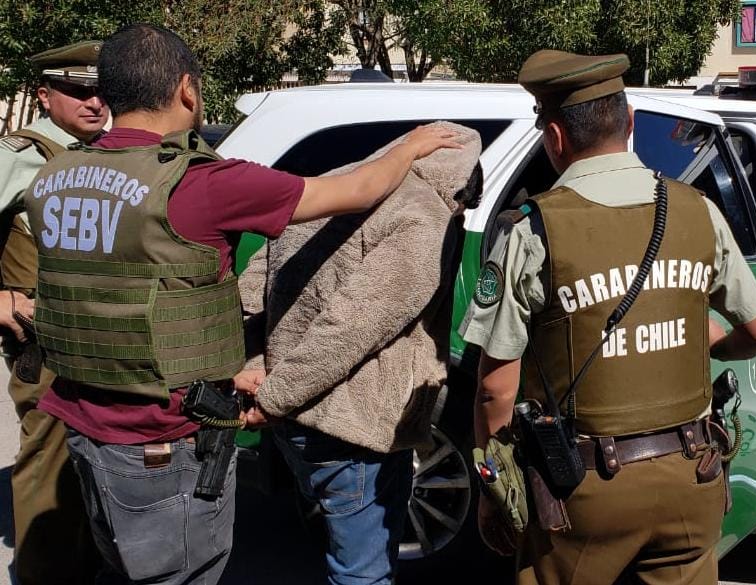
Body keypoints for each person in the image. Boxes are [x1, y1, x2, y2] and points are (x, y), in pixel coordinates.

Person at [22, 23, 458, 585]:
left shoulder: (56, 176)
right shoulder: (203, 183)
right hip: (164, 442)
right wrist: (413, 145)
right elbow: (357, 191)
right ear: (186, 89)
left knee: (122, 566)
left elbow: (130, 291)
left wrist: (225, 368)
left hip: (82, 424)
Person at [460, 50, 756, 585]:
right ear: (630, 124)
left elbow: (495, 391)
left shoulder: (533, 232)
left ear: (555, 139)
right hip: (692, 474)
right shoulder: (697, 210)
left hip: (581, 493)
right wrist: (705, 343)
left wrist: (497, 494)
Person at [236, 122, 482, 585]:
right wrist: (274, 398)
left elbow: (255, 285)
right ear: (461, 186)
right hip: (348, 424)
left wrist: (258, 372)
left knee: (343, 550)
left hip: (295, 415)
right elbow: (349, 328)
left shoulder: (338, 186)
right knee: (362, 573)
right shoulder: (423, 219)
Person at [0, 40, 107, 585]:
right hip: (46, 345)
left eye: (100, 89)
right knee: (50, 468)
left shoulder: (119, 152)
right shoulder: (20, 156)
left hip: (111, 342)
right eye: (77, 90)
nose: (93, 101)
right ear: (44, 96)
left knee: (103, 470)